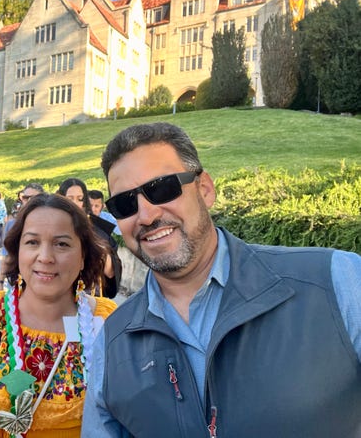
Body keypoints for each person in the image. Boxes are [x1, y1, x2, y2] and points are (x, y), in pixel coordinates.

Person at [82, 122, 361, 437]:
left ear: (205, 189)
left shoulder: (336, 283)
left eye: (162, 188)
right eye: (125, 204)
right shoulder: (114, 341)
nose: (146, 215)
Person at [0, 193, 117, 438]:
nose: (45, 257)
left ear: (83, 257)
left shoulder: (109, 323)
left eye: (62, 244)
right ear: (18, 251)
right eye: (32, 242)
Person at [56, 178, 121, 298]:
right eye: (70, 198)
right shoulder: (51, 226)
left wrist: (101, 251)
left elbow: (111, 274)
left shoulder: (98, 229)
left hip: (90, 298)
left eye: (80, 199)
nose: (75, 203)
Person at [0, 182, 45, 290]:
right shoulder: (12, 225)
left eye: (34, 198)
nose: (28, 201)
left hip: (44, 282)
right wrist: (0, 282)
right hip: (17, 283)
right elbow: (7, 256)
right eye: (25, 197)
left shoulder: (52, 225)